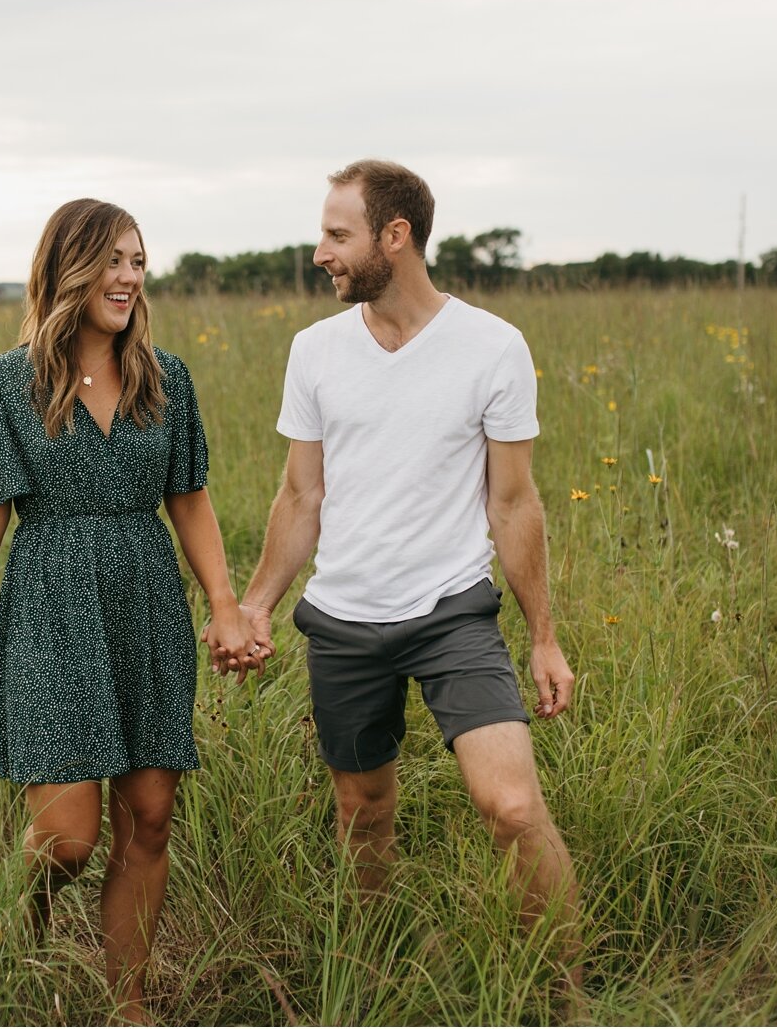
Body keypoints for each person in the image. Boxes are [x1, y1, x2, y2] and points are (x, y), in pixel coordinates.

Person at [0, 198, 260, 1024]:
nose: (129, 277)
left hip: (145, 601)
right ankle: (23, 908)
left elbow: (191, 499)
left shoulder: (165, 379)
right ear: (69, 269)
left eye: (138, 261)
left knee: (151, 815)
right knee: (68, 837)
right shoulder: (6, 384)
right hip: (51, 608)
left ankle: (126, 1002)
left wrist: (225, 603)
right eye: (113, 260)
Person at [231, 159, 580, 977]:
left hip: (452, 615)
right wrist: (254, 604)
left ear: (396, 236)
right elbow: (300, 496)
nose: (320, 252)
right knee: (364, 812)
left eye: (337, 234)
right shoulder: (314, 351)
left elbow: (514, 505)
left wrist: (544, 638)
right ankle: (378, 964)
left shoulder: (493, 346)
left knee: (514, 806)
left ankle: (567, 986)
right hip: (344, 622)